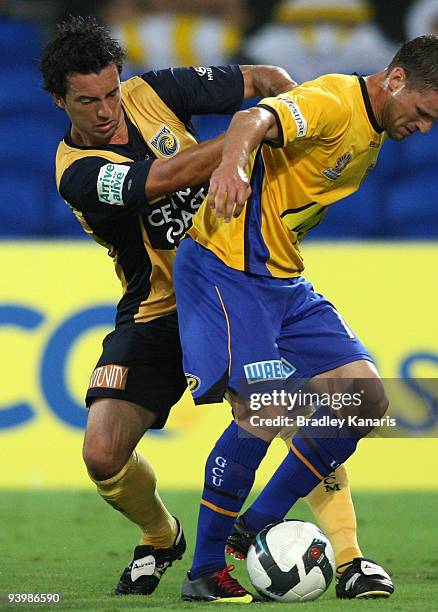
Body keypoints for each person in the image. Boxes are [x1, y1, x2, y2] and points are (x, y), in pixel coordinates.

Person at [174, 33, 438, 602]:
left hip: (282, 281)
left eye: (435, 122)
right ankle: (206, 568)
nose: (424, 129)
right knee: (267, 407)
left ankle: (258, 520)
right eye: (423, 114)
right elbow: (252, 120)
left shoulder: (374, 131)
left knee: (364, 397)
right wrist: (231, 169)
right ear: (397, 80)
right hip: (227, 267)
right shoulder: (335, 101)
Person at [40, 15, 297, 597]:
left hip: (232, 285)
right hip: (156, 308)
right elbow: (165, 176)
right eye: (88, 101)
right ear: (60, 101)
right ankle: (161, 534)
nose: (108, 111)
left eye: (111, 92)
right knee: (102, 453)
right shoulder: (75, 173)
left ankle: (352, 555)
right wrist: (242, 140)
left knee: (285, 408)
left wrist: (297, 113)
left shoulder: (152, 92)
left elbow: (266, 78)